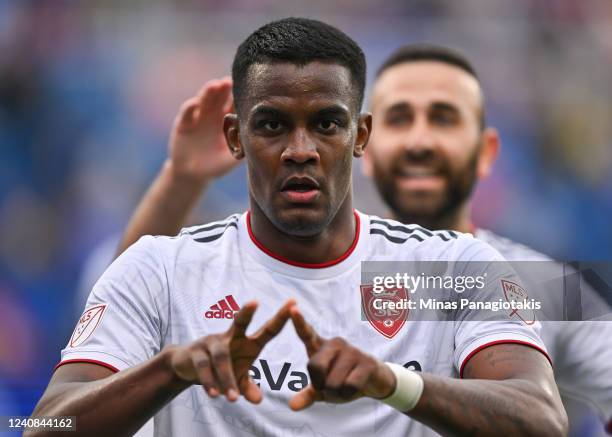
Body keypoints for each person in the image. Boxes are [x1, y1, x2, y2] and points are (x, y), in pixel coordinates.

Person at [31, 19, 567, 436]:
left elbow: (543, 420)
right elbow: (42, 425)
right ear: (235, 138)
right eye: (272, 125)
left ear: (361, 136)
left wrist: (391, 382)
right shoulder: (162, 270)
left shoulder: (452, 266)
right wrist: (169, 369)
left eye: (327, 124)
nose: (300, 150)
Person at [362, 44, 612, 434]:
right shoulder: (317, 274)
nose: (420, 141)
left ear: (486, 152)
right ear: (366, 150)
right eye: (399, 119)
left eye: (444, 119)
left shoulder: (556, 285)